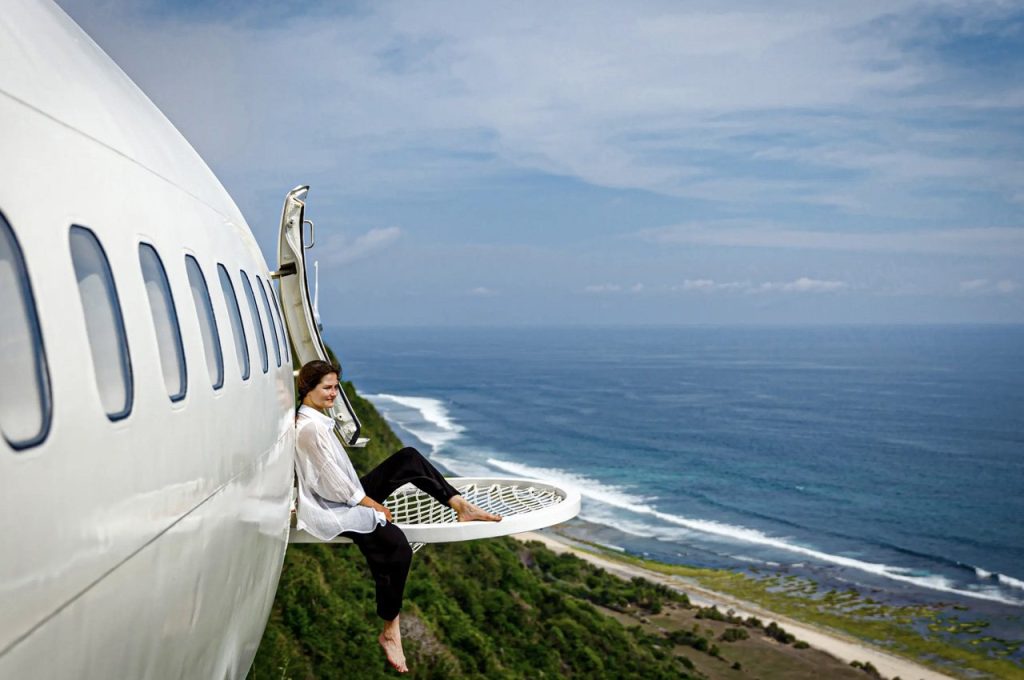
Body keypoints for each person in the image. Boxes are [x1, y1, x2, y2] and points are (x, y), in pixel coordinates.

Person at [293, 360, 501, 673]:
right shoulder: (310, 429)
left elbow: (338, 479)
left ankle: (460, 505)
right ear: (307, 389)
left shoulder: (317, 421)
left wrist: (363, 498)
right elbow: (330, 483)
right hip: (333, 506)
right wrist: (369, 504)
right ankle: (390, 630)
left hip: (345, 493)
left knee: (409, 458)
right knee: (397, 550)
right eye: (327, 388)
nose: (334, 394)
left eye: (336, 387)